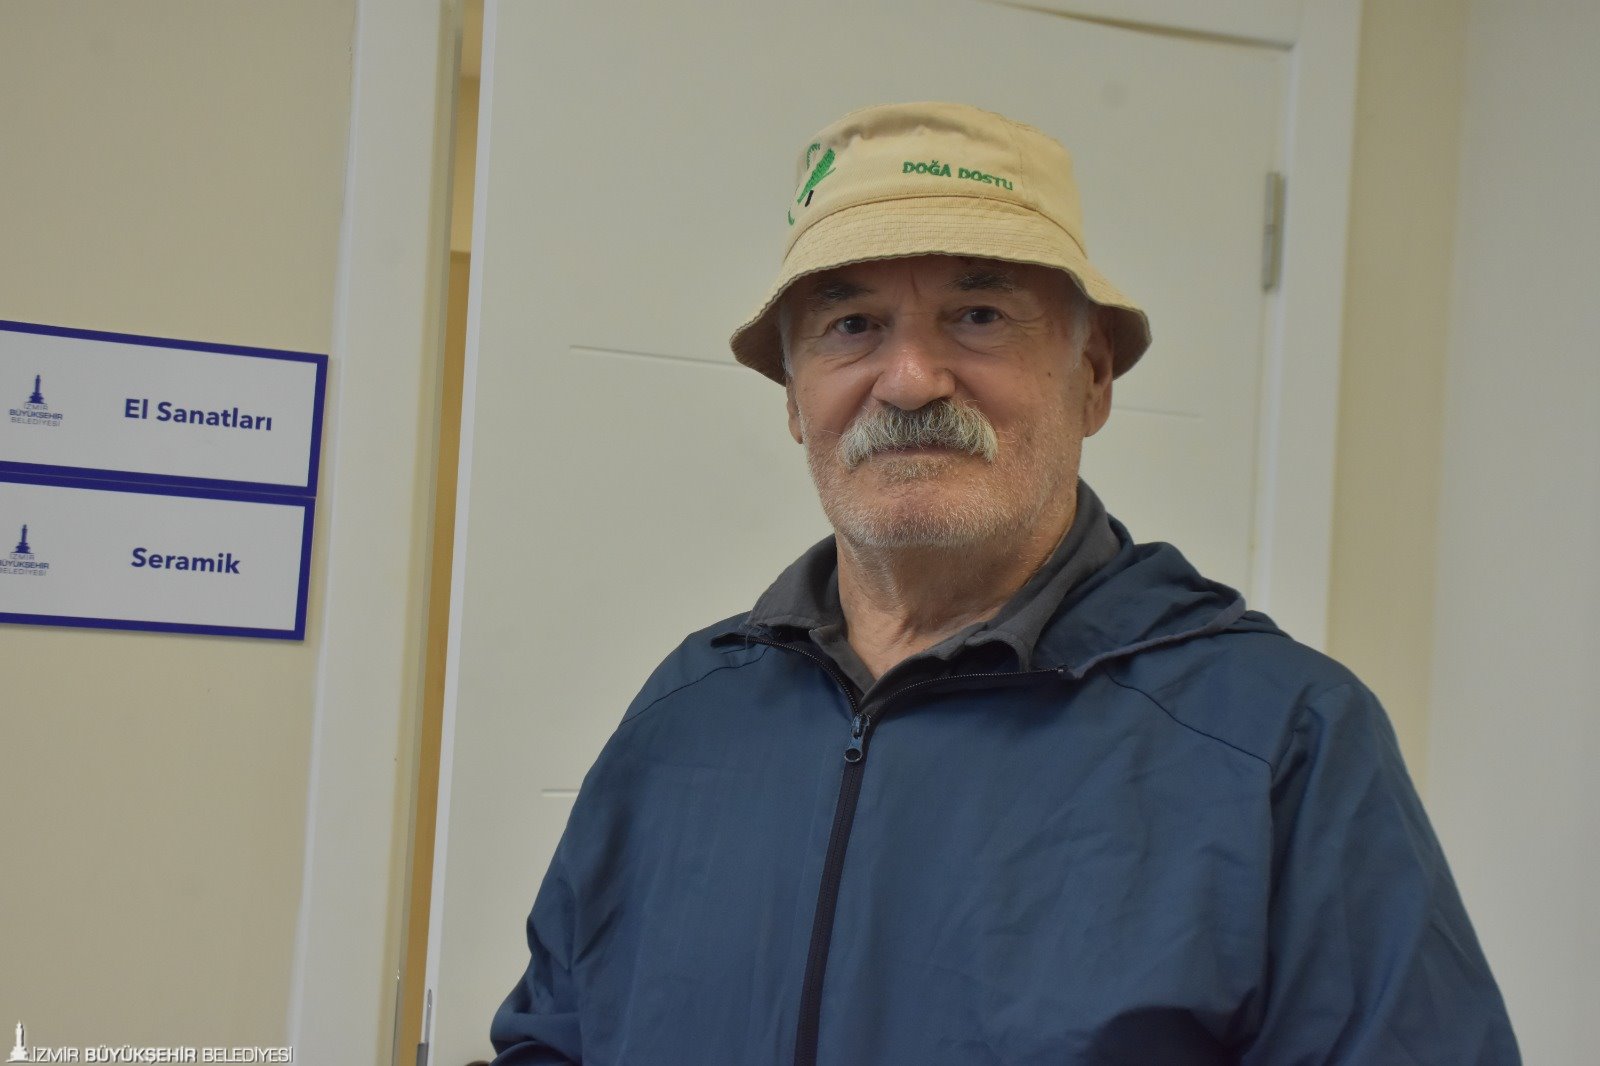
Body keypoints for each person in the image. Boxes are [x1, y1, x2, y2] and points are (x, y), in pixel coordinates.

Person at [489, 102, 1519, 1065]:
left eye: (978, 314)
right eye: (851, 326)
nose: (909, 380)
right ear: (795, 399)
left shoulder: (1279, 743)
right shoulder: (684, 719)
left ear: (1092, 376)